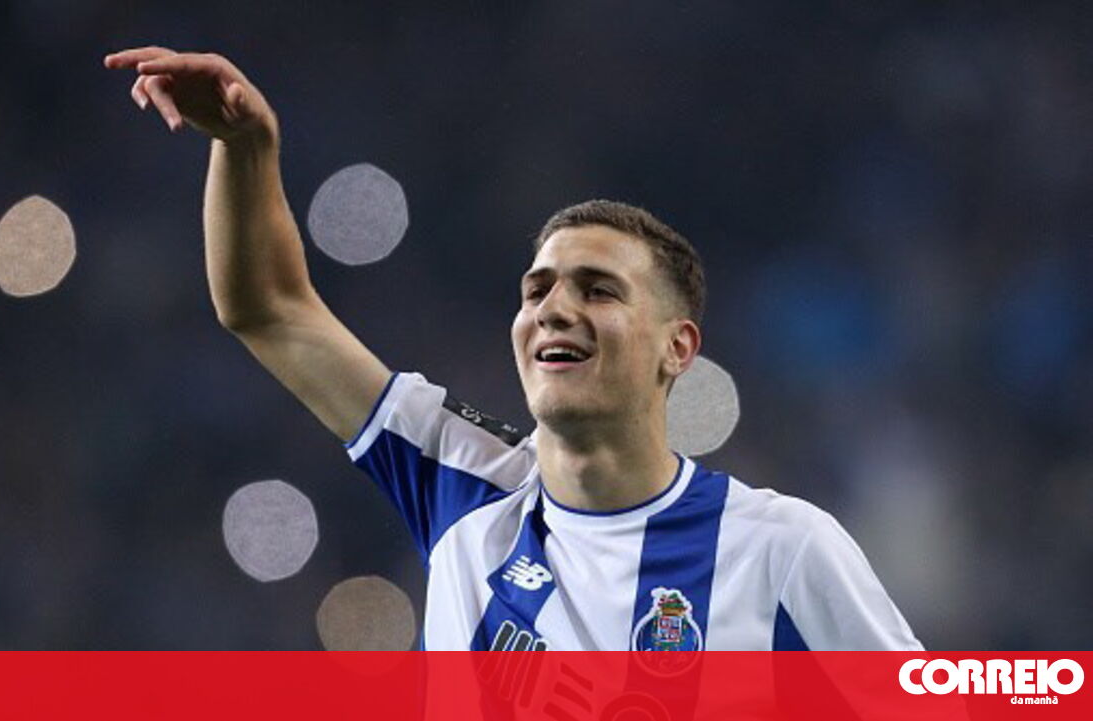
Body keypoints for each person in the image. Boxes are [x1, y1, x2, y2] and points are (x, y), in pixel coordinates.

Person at [104, 46, 922, 652]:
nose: (554, 310)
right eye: (537, 291)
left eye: (598, 290)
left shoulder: (780, 548)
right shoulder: (467, 485)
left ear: (678, 347)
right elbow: (269, 310)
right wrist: (244, 147)